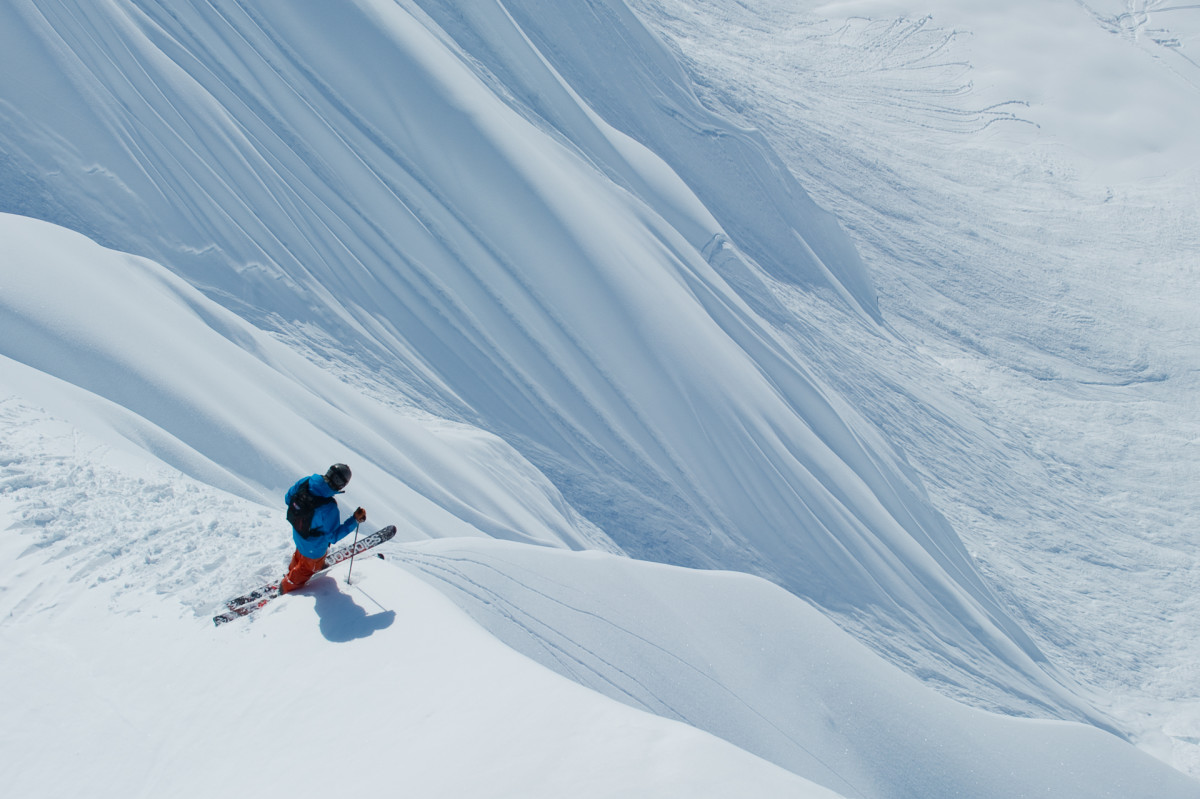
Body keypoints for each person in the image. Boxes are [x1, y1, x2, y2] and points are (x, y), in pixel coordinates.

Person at [280, 463, 367, 594]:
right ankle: (287, 587)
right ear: (341, 485)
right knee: (307, 569)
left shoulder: (307, 482)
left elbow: (288, 499)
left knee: (300, 556)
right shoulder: (328, 508)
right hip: (314, 549)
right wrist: (354, 520)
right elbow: (333, 536)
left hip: (299, 534)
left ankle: (293, 569)